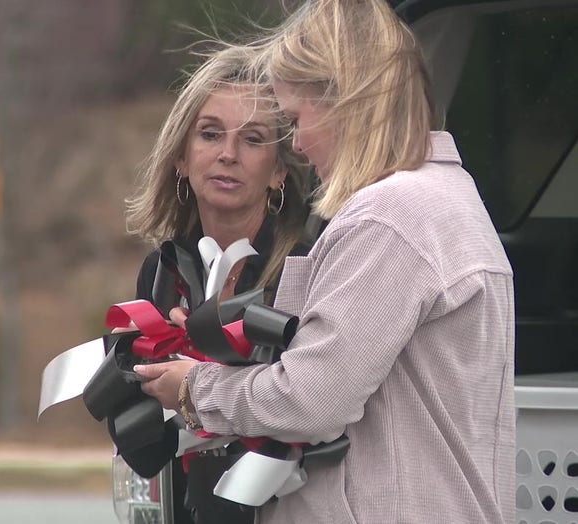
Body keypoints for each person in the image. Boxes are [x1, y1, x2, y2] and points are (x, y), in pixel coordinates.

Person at [133, 1, 515, 523]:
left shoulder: (388, 218)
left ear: (344, 98)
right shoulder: (447, 197)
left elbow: (310, 400)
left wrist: (192, 388)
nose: (297, 144)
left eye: (293, 119)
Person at [124, 45, 312, 523]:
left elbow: (314, 401)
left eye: (252, 139)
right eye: (210, 134)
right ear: (181, 159)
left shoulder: (307, 265)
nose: (227, 154)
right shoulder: (162, 268)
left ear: (279, 171)